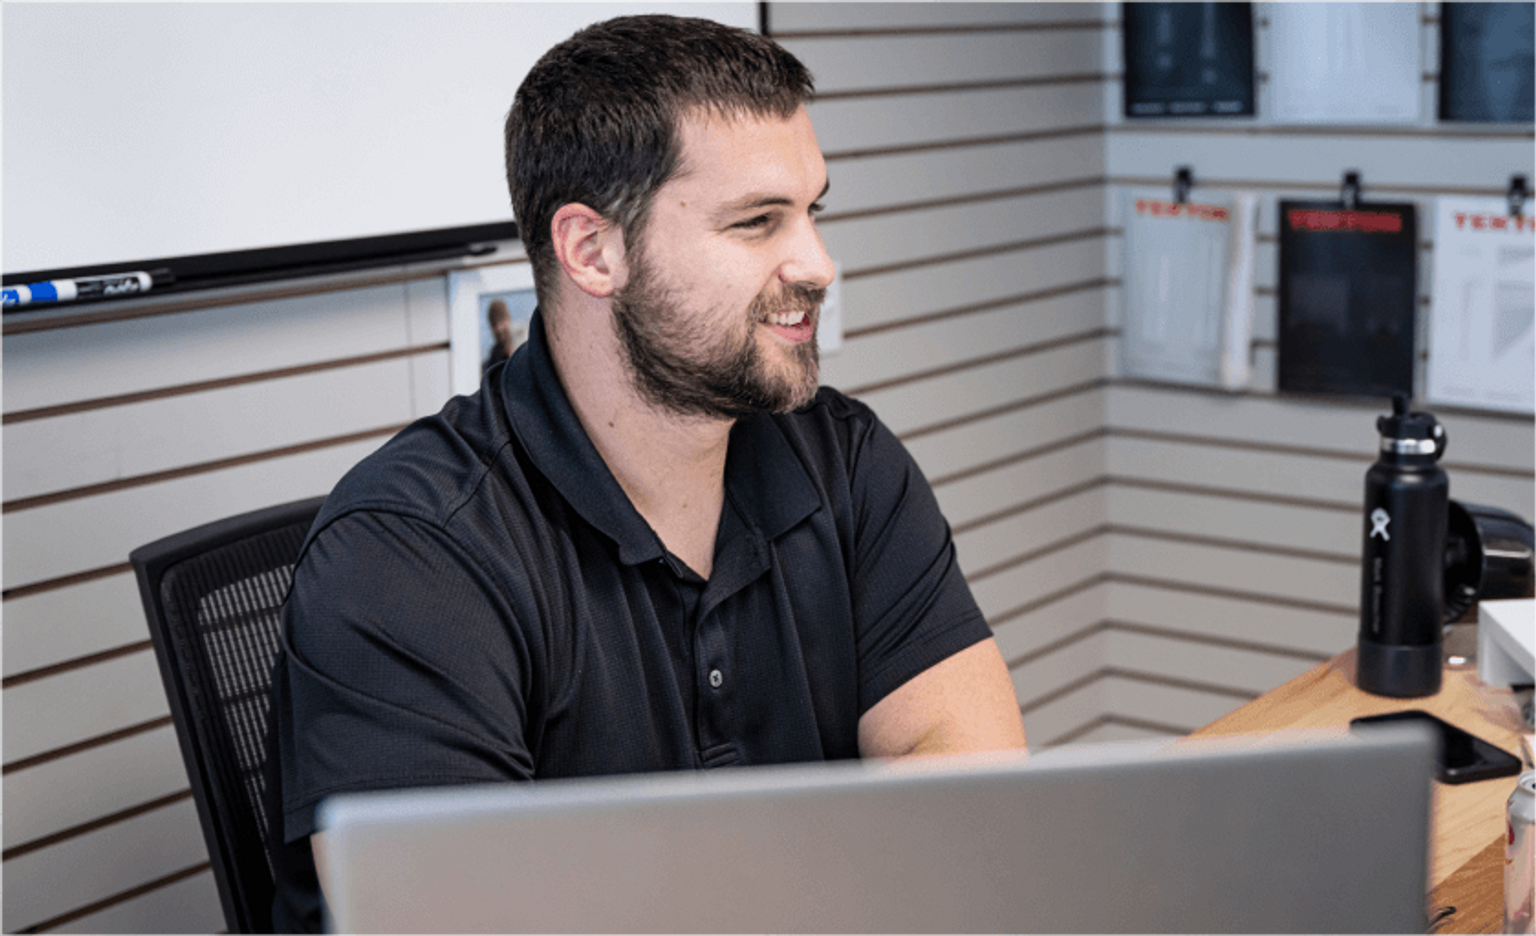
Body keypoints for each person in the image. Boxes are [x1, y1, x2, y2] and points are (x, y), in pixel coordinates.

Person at [264, 14, 1026, 933]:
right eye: (756, 223)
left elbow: (967, 764)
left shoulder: (844, 458)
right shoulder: (409, 556)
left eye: (811, 212)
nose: (819, 265)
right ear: (594, 251)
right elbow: (459, 914)